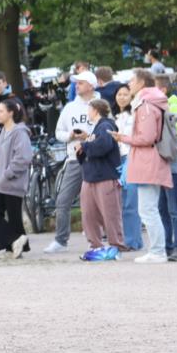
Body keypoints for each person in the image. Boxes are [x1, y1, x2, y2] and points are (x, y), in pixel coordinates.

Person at [108, 69, 172, 264]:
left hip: (147, 161)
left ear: (142, 83)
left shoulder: (145, 106)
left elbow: (147, 137)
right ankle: (157, 250)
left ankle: (157, 251)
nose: (129, 83)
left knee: (147, 210)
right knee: (149, 209)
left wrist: (123, 138)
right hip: (151, 160)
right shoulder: (153, 102)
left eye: (132, 80)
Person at [43, 70, 99, 254]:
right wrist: (70, 136)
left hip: (96, 158)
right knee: (63, 199)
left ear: (91, 85)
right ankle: (61, 240)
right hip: (74, 159)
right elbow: (58, 132)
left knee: (95, 202)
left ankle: (97, 238)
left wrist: (88, 137)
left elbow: (108, 130)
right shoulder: (69, 108)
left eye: (81, 83)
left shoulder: (101, 105)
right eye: (76, 82)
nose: (77, 85)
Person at [75, 99, 124, 261]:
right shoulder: (96, 128)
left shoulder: (106, 125)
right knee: (89, 214)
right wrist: (84, 145)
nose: (88, 112)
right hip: (90, 176)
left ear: (95, 110)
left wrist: (84, 146)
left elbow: (103, 145)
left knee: (110, 213)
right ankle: (95, 245)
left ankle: (116, 246)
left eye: (89, 109)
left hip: (105, 176)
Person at [0, 97, 32, 259]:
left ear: (11, 113)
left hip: (12, 183)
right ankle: (14, 243)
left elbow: (23, 158)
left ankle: (13, 247)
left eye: (1, 111)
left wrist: (7, 174)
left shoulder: (20, 133)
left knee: (13, 218)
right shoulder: (0, 132)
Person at [155, 74, 177, 261]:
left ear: (162, 90)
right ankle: (167, 246)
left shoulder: (173, 107)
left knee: (175, 209)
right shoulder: (162, 108)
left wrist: (163, 152)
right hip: (162, 169)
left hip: (171, 168)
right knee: (163, 209)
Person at [113, 84, 143, 251]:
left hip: (131, 158)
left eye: (125, 94)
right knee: (119, 203)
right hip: (115, 160)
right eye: (119, 94)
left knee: (130, 202)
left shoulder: (135, 115)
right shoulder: (113, 116)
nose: (122, 97)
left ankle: (132, 241)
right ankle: (129, 239)